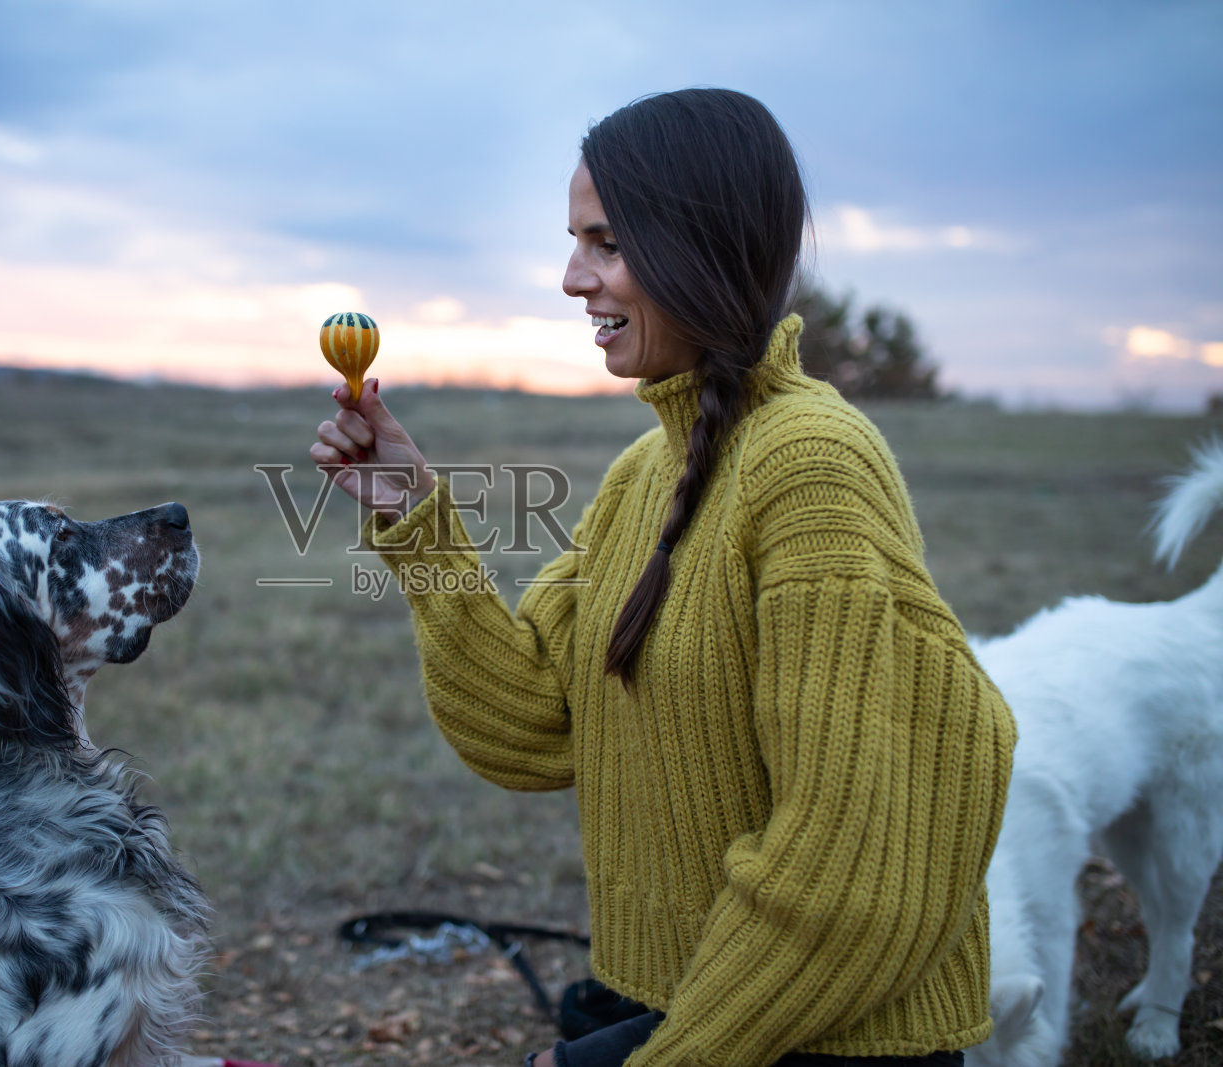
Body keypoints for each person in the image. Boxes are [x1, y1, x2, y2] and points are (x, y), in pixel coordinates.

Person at [308, 88, 1015, 1067]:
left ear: (701, 247)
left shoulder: (811, 466)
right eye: (574, 242)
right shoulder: (647, 473)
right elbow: (524, 725)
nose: (569, 279)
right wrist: (412, 520)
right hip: (694, 992)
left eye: (603, 243)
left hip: (830, 1025)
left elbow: (846, 866)